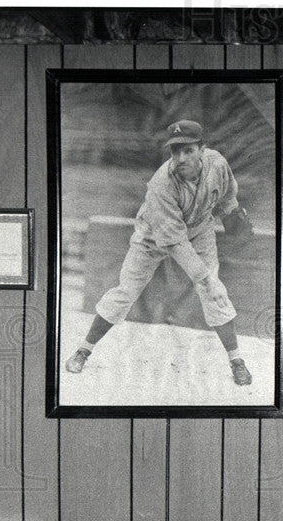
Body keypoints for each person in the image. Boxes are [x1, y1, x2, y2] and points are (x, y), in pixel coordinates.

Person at [64, 119, 253, 386]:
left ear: (202, 148)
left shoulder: (218, 164)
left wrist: (232, 214)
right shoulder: (162, 184)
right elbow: (174, 242)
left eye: (188, 150)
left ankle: (237, 361)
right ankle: (83, 350)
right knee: (126, 291)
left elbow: (227, 197)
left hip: (199, 230)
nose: (181, 158)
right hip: (152, 236)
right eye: (175, 151)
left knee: (214, 294)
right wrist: (206, 278)